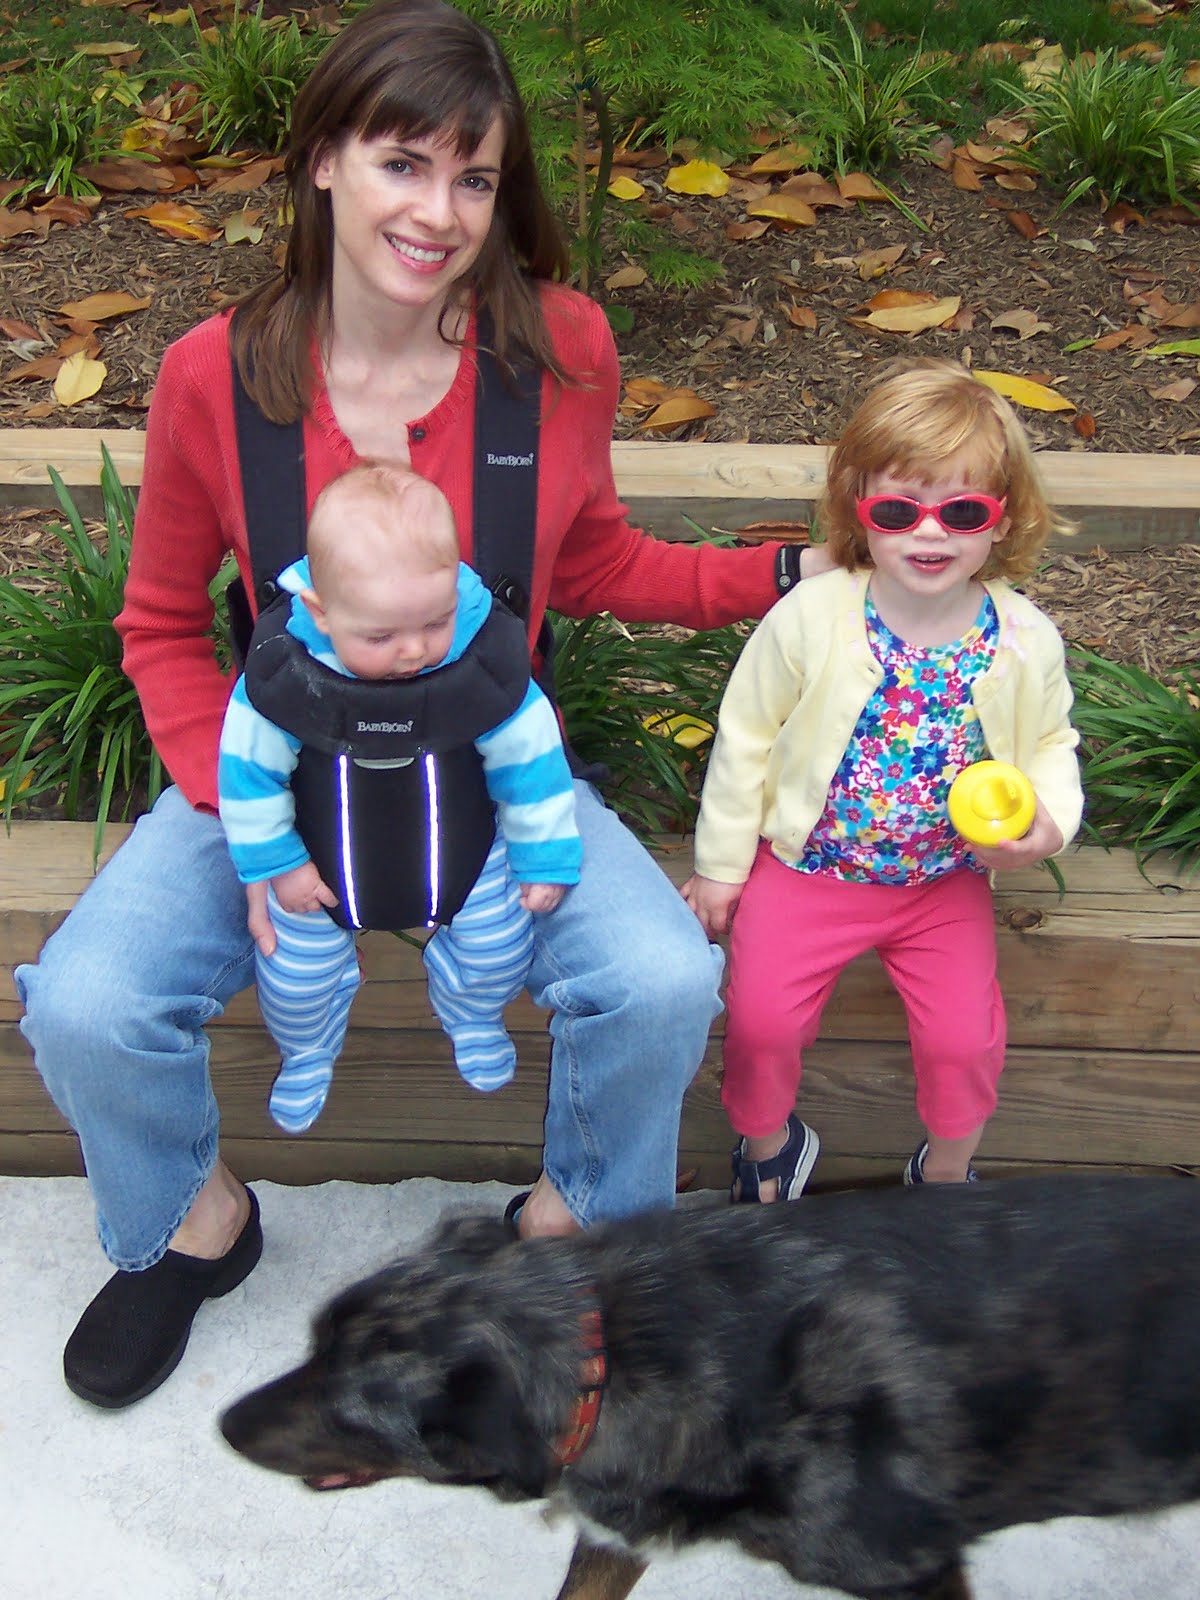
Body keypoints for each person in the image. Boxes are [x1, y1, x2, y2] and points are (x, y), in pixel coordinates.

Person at [14, 0, 828, 1411]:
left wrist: (780, 575)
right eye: (404, 163)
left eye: (475, 177)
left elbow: (590, 560)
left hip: (494, 784)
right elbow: (158, 624)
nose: (439, 213)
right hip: (272, 781)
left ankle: (575, 1230)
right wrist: (248, 831)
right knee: (86, 1003)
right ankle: (192, 1222)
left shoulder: (559, 349)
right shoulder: (219, 374)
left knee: (659, 982)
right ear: (324, 160)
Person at [683, 359, 1084, 1201]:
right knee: (759, 1021)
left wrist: (1046, 822)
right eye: (899, 511)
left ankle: (944, 1172)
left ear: (1004, 516)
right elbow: (746, 735)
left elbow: (1052, 740)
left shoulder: (1021, 637)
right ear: (858, 508)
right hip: (808, 869)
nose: (929, 535)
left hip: (942, 880)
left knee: (964, 1040)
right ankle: (768, 1148)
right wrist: (721, 865)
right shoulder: (813, 617)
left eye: (962, 512)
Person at [218, 461, 581, 1134]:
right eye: (380, 636)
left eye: (436, 621)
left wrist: (544, 853)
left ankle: (473, 1011)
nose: (414, 651)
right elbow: (247, 775)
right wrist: (277, 862)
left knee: (501, 946)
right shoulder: (286, 674)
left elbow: (531, 763)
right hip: (316, 864)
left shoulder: (478, 660)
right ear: (320, 611)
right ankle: (306, 1047)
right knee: (293, 977)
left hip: (466, 851)